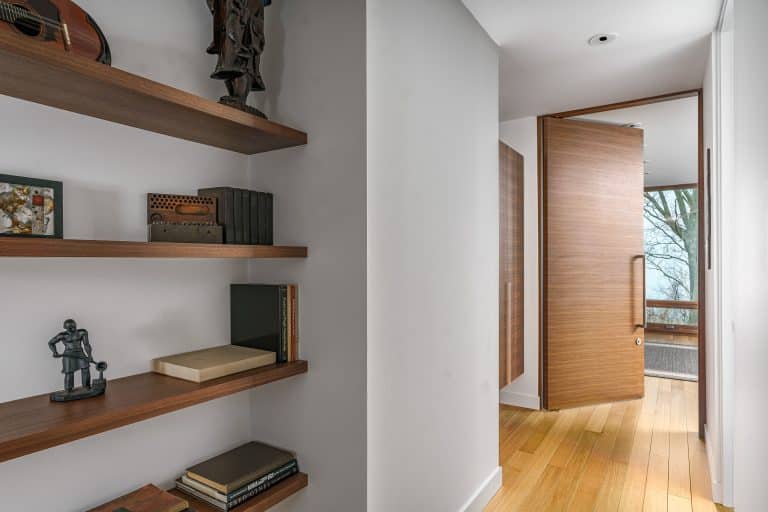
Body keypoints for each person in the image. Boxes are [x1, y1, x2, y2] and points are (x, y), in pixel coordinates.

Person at [48, 319, 92, 392]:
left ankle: (86, 386)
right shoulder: (62, 335)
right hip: (68, 355)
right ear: (66, 328)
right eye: (70, 328)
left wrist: (90, 355)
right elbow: (51, 343)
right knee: (69, 372)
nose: (73, 329)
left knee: (86, 368)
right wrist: (55, 352)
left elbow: (86, 345)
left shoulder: (82, 332)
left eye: (74, 327)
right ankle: (68, 390)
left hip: (80, 353)